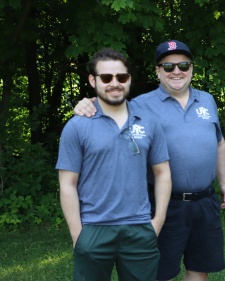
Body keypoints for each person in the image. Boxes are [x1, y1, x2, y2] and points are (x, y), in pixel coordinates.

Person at [74, 40, 225, 281]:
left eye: (183, 65)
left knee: (200, 269)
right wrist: (85, 103)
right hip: (164, 203)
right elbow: (110, 104)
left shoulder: (208, 100)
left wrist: (224, 183)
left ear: (192, 68)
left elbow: (219, 143)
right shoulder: (140, 104)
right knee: (161, 272)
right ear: (157, 71)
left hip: (205, 201)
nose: (177, 71)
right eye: (168, 66)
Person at [57, 48, 172, 280]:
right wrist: (77, 235)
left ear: (129, 79)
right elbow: (67, 184)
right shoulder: (77, 126)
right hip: (94, 228)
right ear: (93, 80)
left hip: (139, 228)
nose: (114, 83)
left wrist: (156, 222)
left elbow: (163, 174)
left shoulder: (148, 122)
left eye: (121, 77)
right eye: (106, 77)